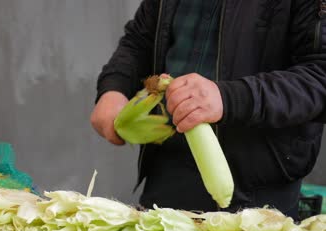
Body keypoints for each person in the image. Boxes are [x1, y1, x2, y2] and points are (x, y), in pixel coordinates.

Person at [90, 0, 326, 219]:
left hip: (256, 195)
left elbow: (320, 74)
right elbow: (139, 41)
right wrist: (114, 87)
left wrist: (229, 98)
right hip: (166, 178)